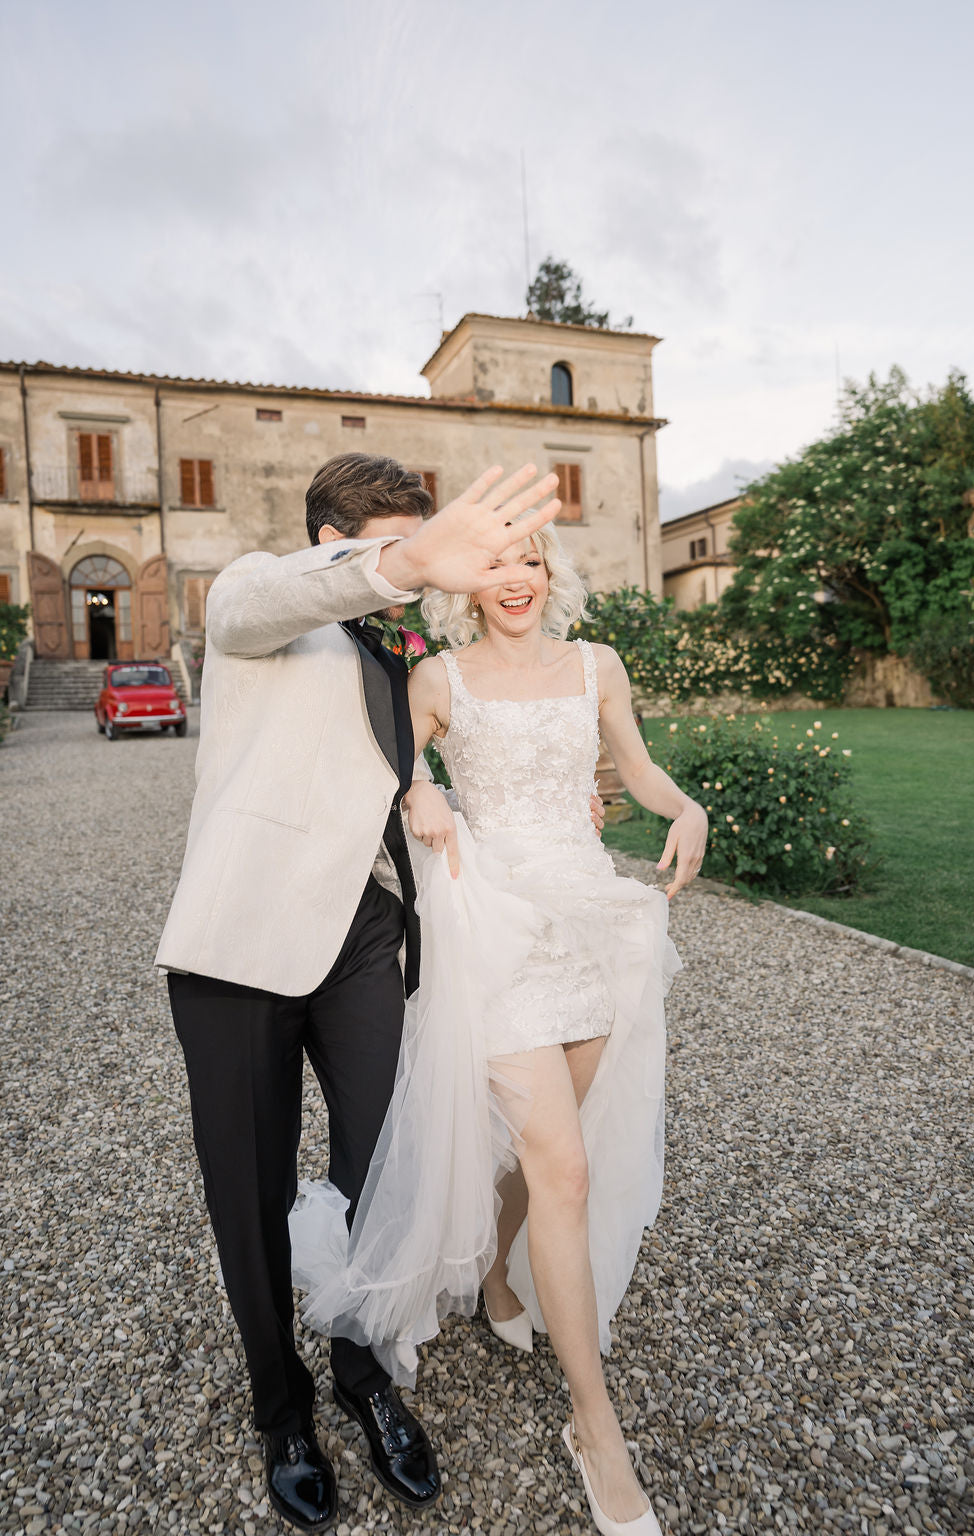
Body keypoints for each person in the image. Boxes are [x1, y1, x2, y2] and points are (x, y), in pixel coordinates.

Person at [156, 453, 563, 1532]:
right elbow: (271, 597)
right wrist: (399, 560)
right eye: (394, 548)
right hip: (238, 941)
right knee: (244, 1189)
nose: (421, 576)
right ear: (339, 538)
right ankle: (278, 1405)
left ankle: (359, 1372)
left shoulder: (407, 641)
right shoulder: (265, 593)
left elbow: (413, 761)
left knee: (380, 1166)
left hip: (366, 939)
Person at [289, 523, 709, 1536]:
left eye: (532, 561)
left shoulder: (594, 665)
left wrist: (683, 806)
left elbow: (636, 770)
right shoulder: (437, 678)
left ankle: (493, 1267)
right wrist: (423, 787)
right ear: (471, 581)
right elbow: (382, 764)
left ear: (550, 574)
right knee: (563, 1164)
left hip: (591, 923)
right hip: (497, 930)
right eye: (498, 564)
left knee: (540, 1152)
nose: (515, 579)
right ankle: (595, 1429)